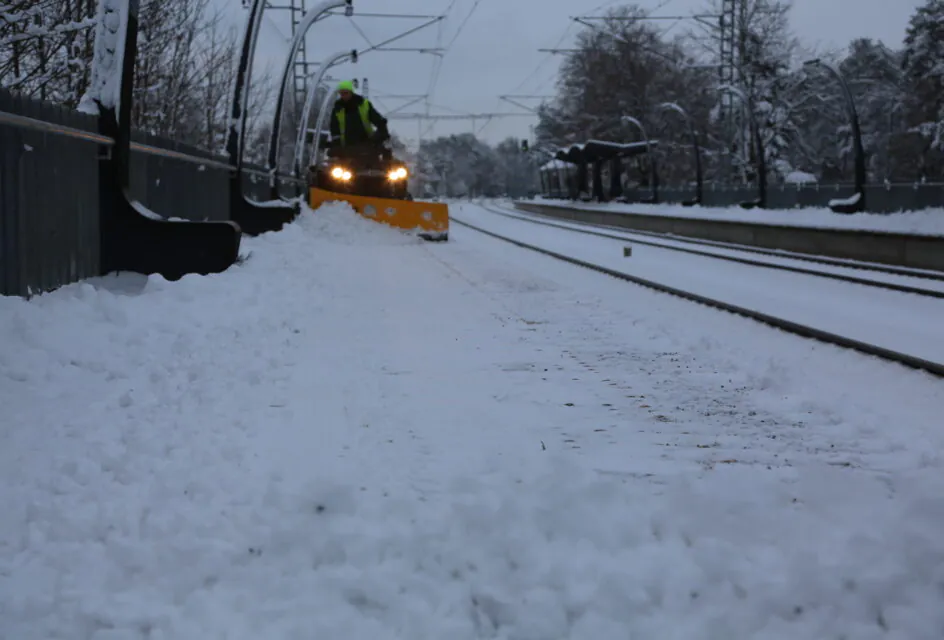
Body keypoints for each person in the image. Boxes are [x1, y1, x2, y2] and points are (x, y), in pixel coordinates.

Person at [327, 80, 390, 156]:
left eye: (346, 93)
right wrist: (336, 143)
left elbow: (377, 119)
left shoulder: (364, 104)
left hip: (367, 144)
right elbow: (334, 128)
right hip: (346, 147)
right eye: (341, 93)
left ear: (351, 92)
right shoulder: (337, 109)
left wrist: (382, 131)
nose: (344, 96)